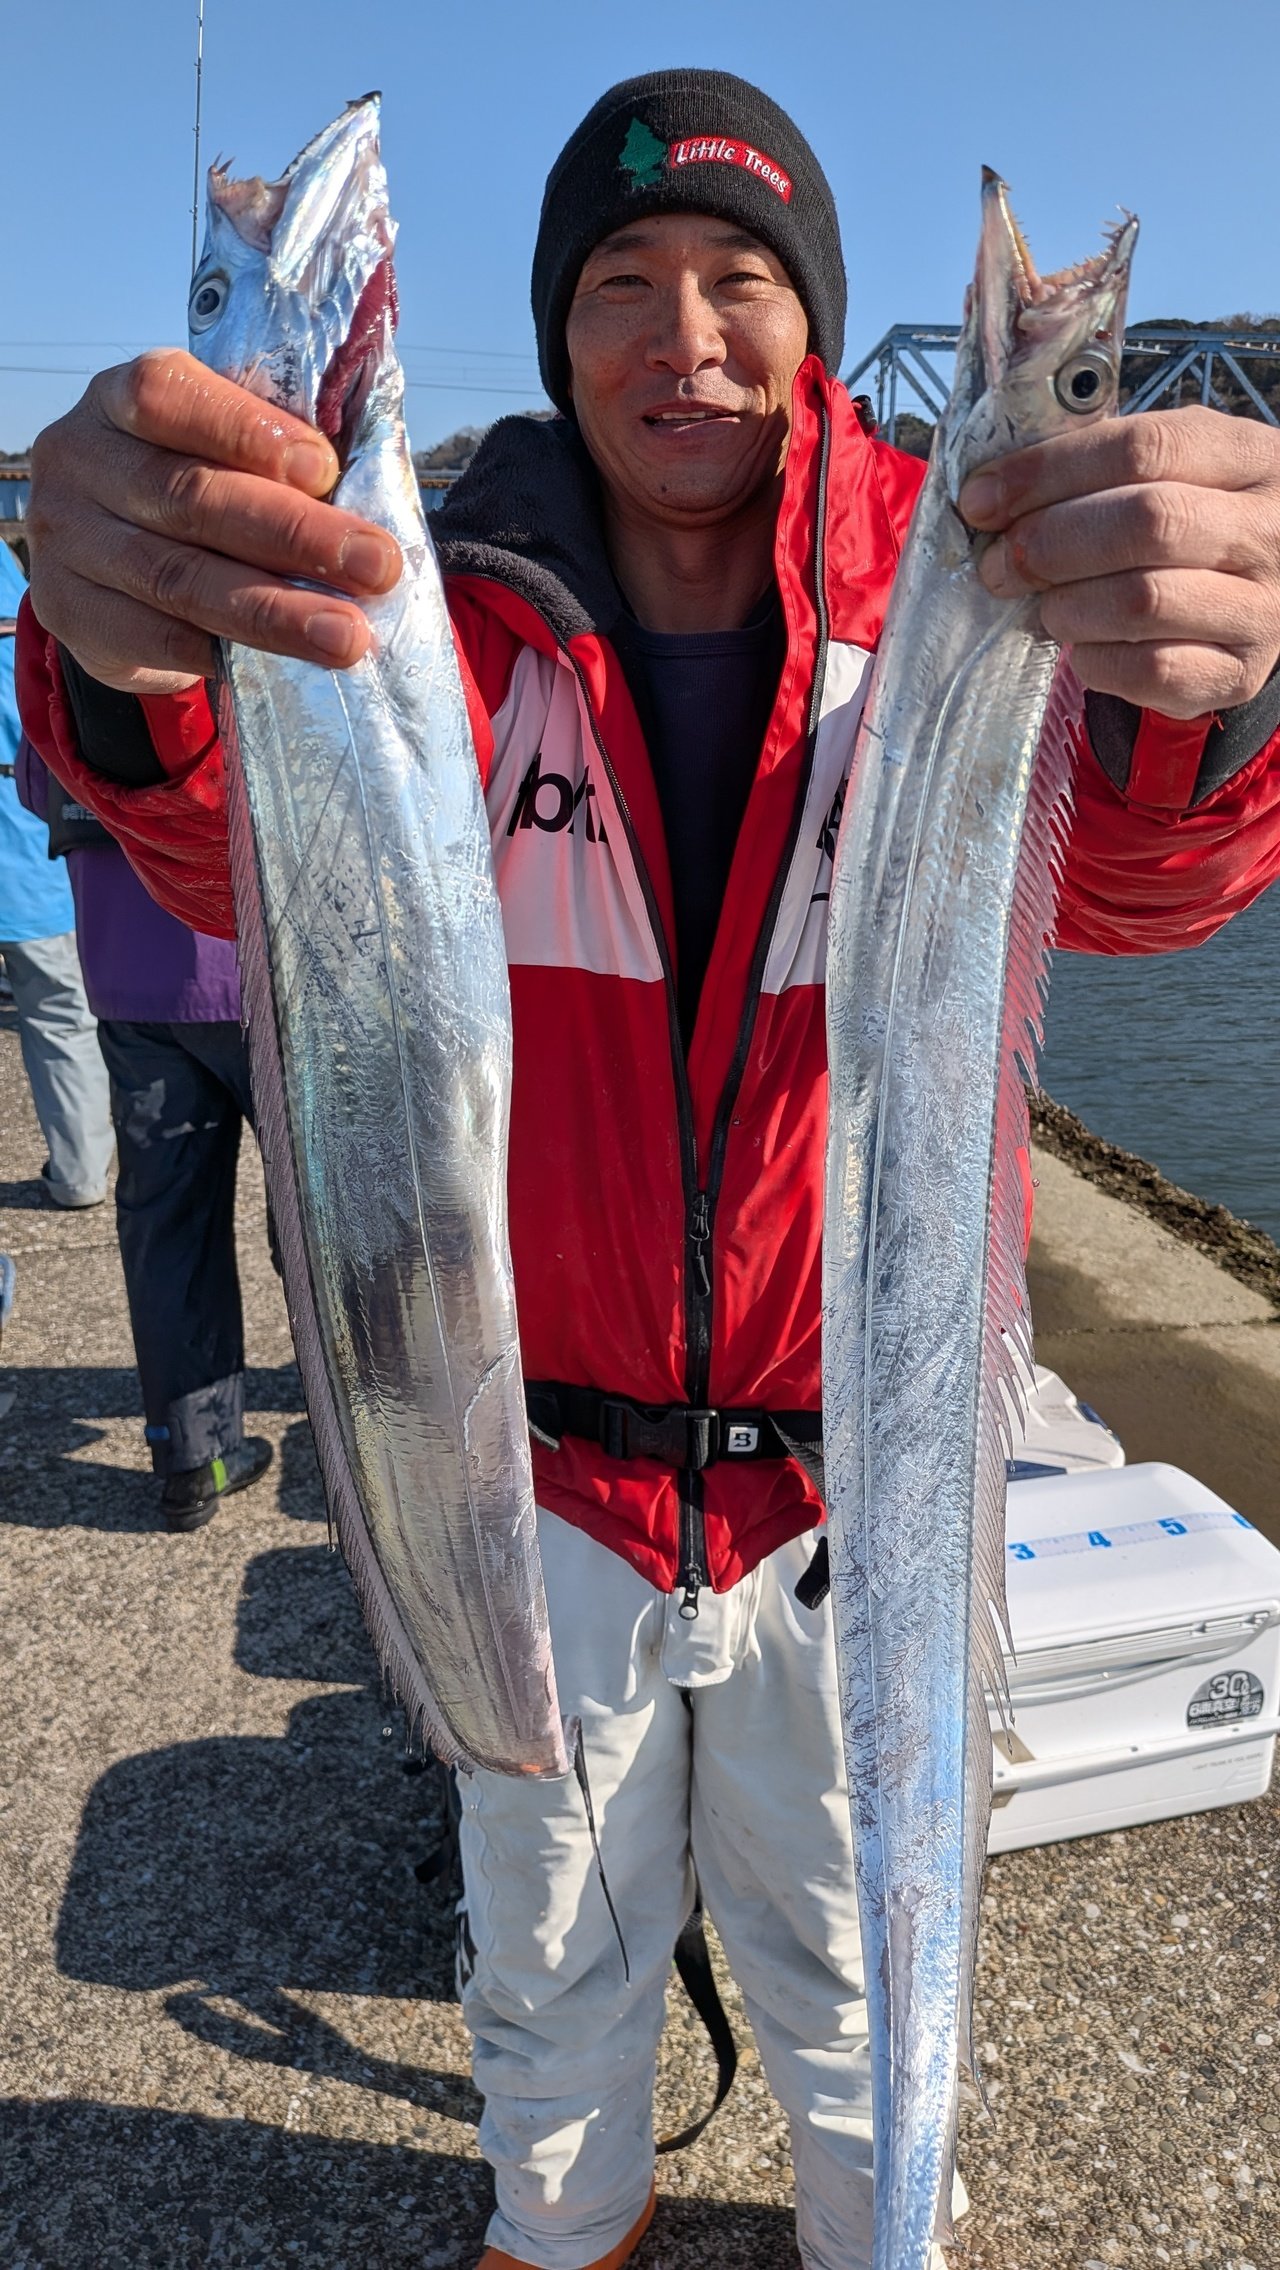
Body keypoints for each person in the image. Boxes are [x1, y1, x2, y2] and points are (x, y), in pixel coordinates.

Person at [16, 67, 1280, 2270]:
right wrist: (123, 666)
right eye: (620, 282)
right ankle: (563, 2224)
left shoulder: (970, 582)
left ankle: (879, 2233)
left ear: (817, 321)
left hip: (854, 1483)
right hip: (545, 1481)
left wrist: (1214, 692)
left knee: (865, 1959)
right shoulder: (419, 595)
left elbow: (1143, 881)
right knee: (543, 1947)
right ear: (555, 326)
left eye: (737, 279)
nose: (682, 335)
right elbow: (222, 850)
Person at [16, 735, 273, 1530]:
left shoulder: (67, 655)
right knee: (319, 1231)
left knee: (165, 1227)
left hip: (129, 972)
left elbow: (37, 788)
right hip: (267, 968)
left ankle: (194, 1456)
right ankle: (358, 1450)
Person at [0, 540, 112, 1210]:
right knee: (61, 1018)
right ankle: (78, 1174)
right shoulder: (29, 606)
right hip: (26, 863)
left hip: (25, 860)